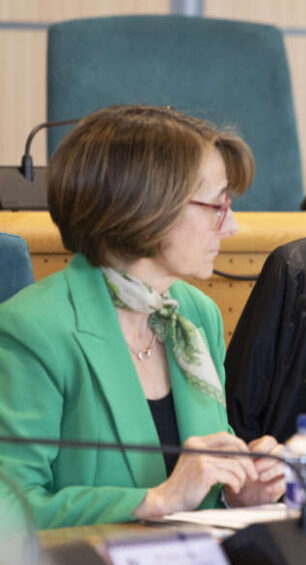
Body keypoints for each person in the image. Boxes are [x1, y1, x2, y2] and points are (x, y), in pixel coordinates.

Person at [0, 105, 286, 528]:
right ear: (147, 209)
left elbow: (196, 491)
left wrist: (237, 493)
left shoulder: (195, 315)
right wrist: (154, 500)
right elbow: (9, 510)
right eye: (216, 205)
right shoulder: (33, 329)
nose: (232, 228)